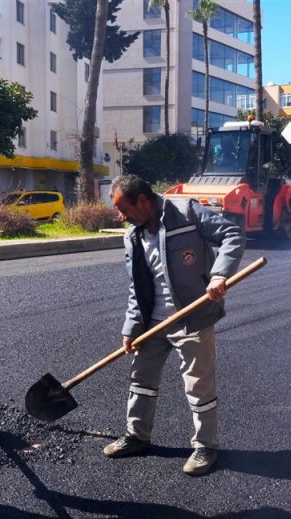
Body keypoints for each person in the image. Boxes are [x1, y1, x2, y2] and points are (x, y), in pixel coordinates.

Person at [103, 175, 245, 476]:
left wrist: (220, 274)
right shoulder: (132, 237)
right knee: (140, 378)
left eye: (123, 208)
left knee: (198, 385)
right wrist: (131, 327)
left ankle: (206, 446)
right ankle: (136, 436)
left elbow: (232, 234)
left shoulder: (188, 213)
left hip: (192, 317)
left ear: (142, 200)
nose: (120, 216)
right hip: (152, 322)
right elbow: (136, 287)